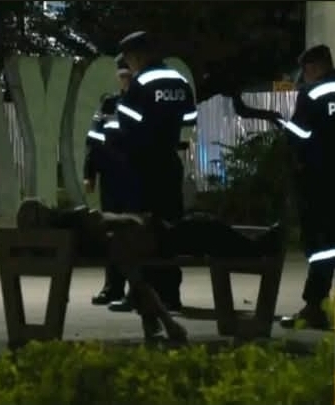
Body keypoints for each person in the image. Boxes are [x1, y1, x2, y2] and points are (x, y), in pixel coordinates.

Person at [275, 44, 335, 329]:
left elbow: (298, 137)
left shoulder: (312, 94)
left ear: (315, 67)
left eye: (305, 71)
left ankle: (314, 307)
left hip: (316, 181)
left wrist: (284, 127)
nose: (303, 77)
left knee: (320, 243)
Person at [108, 30, 198, 313]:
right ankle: (170, 294)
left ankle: (141, 295)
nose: (128, 65)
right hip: (169, 163)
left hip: (141, 167)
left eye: (129, 59)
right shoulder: (179, 81)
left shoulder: (141, 83)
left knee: (140, 231)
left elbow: (126, 126)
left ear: (137, 56)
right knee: (170, 228)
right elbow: (189, 118)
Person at [84, 59, 134, 305]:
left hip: (136, 176)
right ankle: (113, 287)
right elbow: (94, 139)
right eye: (122, 76)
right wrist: (90, 173)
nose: (125, 81)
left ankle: (136, 289)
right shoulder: (109, 104)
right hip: (112, 177)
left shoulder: (142, 102)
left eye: (129, 76)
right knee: (112, 231)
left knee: (135, 232)